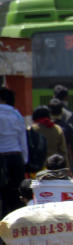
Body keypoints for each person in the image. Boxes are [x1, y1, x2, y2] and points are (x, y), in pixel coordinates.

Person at [0, 87, 27, 217]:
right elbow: (23, 139)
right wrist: (25, 160)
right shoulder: (17, 115)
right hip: (16, 158)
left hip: (1, 158)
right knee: (17, 194)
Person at [47, 98, 73, 169]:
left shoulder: (44, 128)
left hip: (47, 165)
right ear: (61, 112)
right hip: (64, 165)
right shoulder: (67, 128)